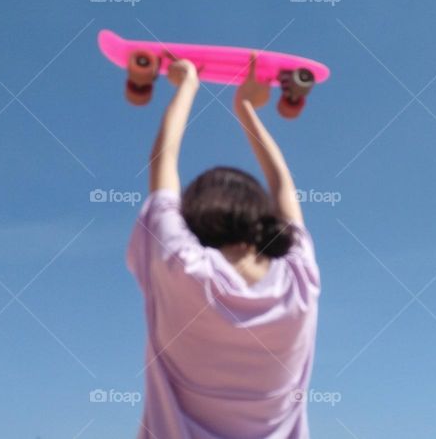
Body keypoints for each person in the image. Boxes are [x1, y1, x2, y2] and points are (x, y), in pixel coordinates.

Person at [126, 53, 321, 438]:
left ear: (191, 219)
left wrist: (187, 87)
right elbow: (283, 184)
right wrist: (246, 108)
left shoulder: (181, 266)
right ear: (261, 216)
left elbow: (163, 166)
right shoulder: (300, 281)